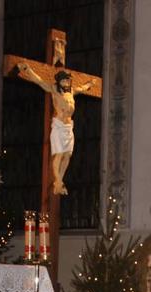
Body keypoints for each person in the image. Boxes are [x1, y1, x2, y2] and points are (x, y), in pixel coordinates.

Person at [16, 62, 94, 195]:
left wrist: (90, 84)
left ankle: (60, 181)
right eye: (64, 79)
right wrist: (28, 70)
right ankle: (58, 181)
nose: (67, 82)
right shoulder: (54, 90)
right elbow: (39, 81)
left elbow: (82, 87)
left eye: (68, 79)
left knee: (67, 155)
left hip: (69, 127)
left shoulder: (72, 91)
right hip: (59, 126)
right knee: (58, 154)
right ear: (59, 81)